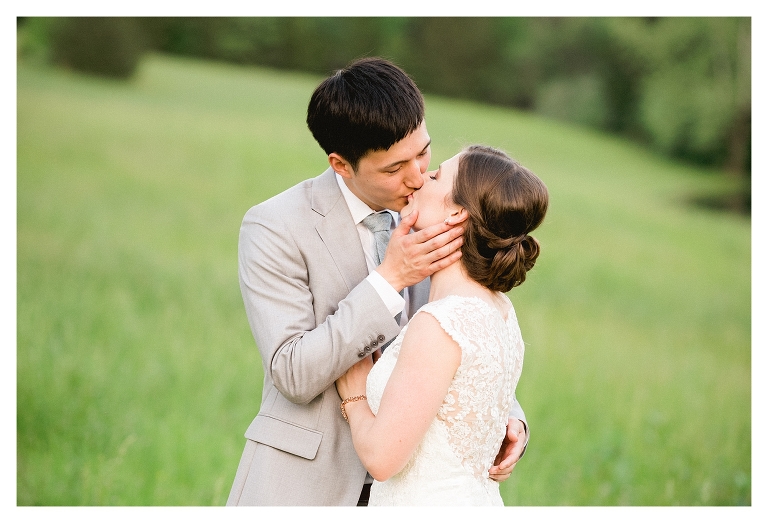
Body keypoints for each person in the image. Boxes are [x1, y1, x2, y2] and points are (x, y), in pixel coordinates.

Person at [226, 57, 529, 506]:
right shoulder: (275, 227)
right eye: (393, 169)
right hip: (303, 488)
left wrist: (509, 417)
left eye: (424, 153)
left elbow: (464, 334)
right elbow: (291, 371)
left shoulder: (440, 216)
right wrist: (390, 279)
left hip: (413, 493)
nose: (418, 177)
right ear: (341, 165)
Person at [335, 145, 548, 505]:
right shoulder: (500, 309)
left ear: (457, 213)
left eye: (435, 176)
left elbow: (382, 460)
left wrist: (355, 397)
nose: (420, 177)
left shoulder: (440, 324)